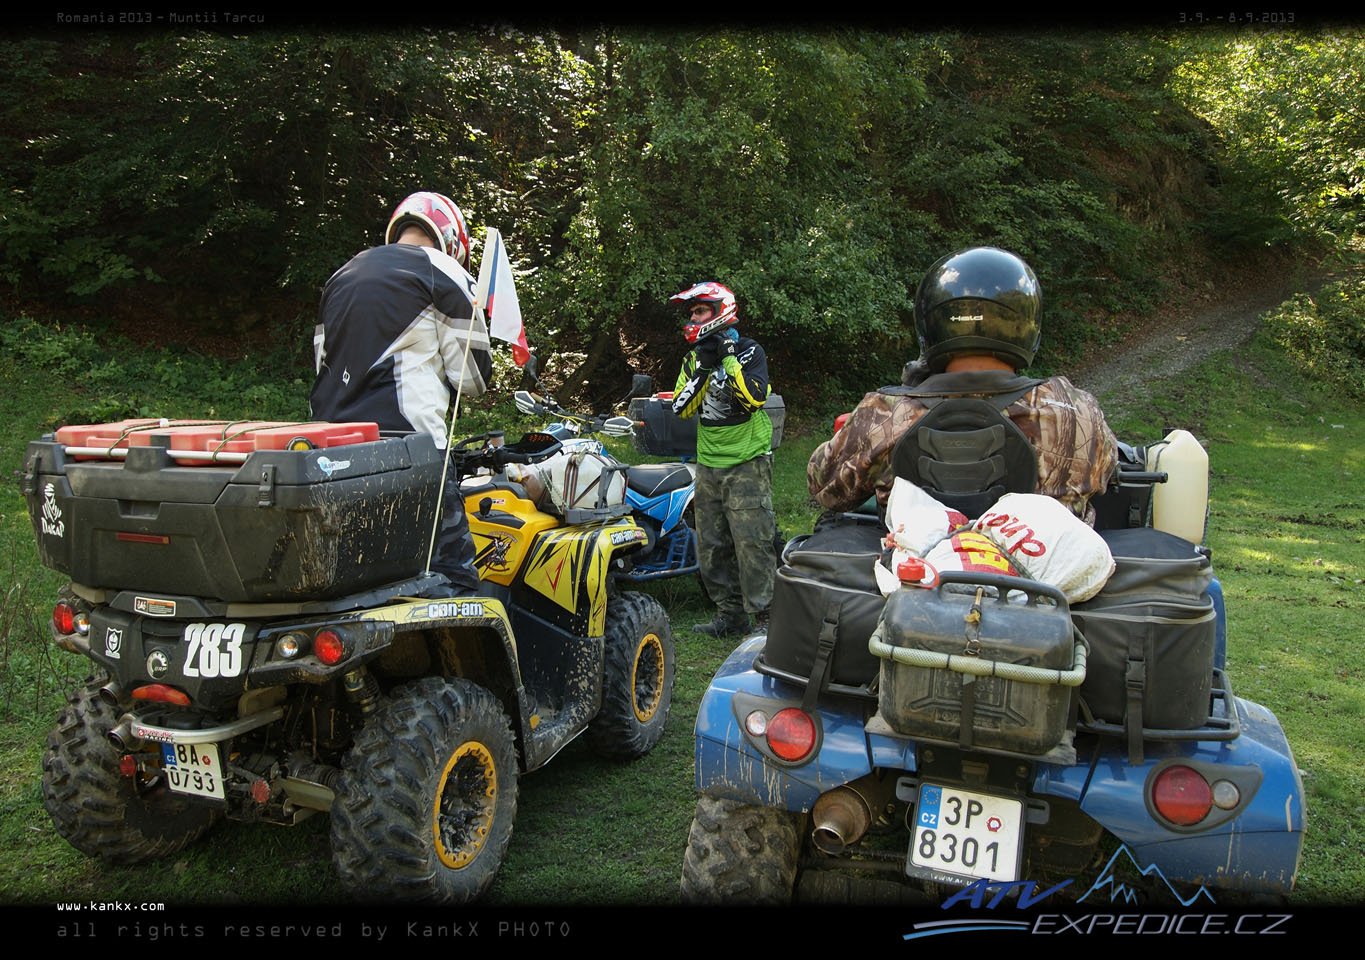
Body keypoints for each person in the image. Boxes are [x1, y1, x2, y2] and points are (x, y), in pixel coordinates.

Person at [808, 246, 1116, 522]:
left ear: (930, 323)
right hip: (1040, 570)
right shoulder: (1076, 412)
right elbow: (1108, 471)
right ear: (1027, 325)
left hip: (918, 568)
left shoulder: (884, 414)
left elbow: (823, 486)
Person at [311, 191, 493, 594]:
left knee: (356, 582)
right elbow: (473, 379)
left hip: (329, 455)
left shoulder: (341, 275)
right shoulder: (443, 269)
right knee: (454, 580)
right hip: (410, 451)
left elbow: (322, 360)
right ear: (453, 240)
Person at [670, 281, 777, 638]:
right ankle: (730, 616)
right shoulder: (693, 359)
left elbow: (753, 399)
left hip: (747, 461)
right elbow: (682, 408)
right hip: (708, 463)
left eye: (700, 311)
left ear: (719, 311)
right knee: (712, 544)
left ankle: (765, 619)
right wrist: (703, 368)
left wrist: (728, 358)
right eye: (692, 313)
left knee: (752, 541)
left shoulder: (749, 352)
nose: (694, 318)